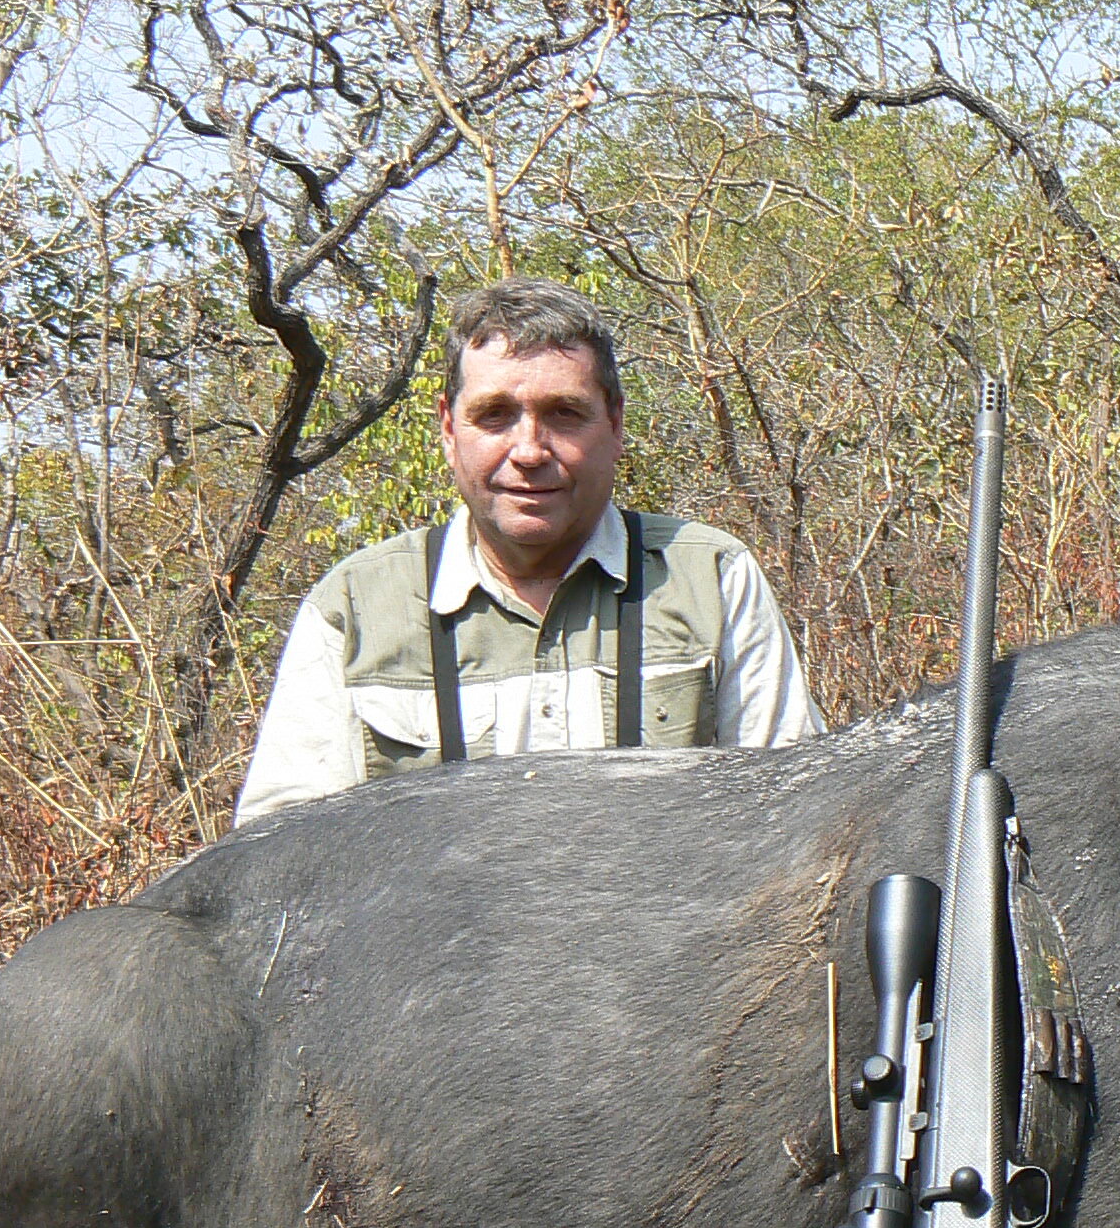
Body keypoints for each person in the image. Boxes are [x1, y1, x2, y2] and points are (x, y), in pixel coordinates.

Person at [235, 278, 821, 824]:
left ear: (615, 424)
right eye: (495, 416)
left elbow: (798, 817)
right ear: (447, 429)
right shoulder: (355, 605)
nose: (530, 451)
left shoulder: (711, 577)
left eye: (564, 414)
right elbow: (281, 861)